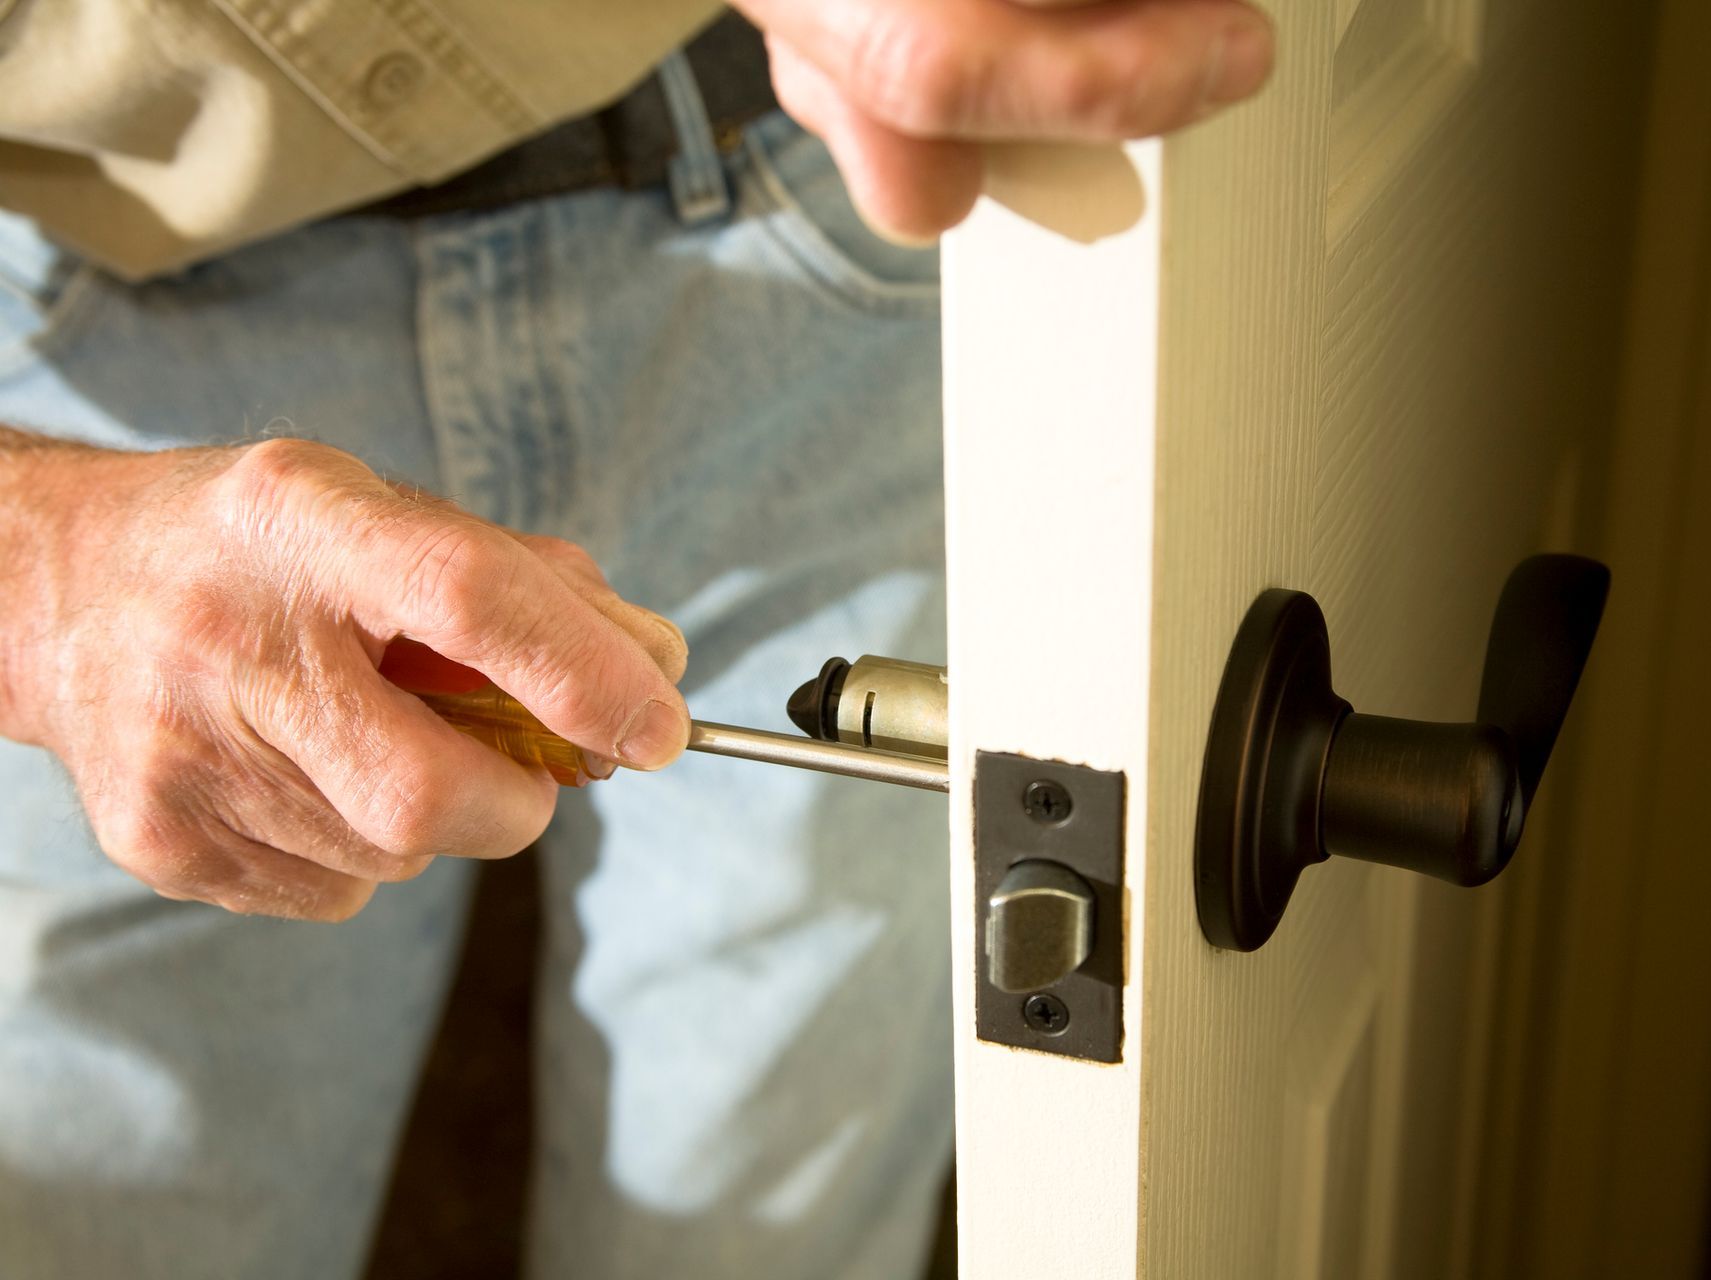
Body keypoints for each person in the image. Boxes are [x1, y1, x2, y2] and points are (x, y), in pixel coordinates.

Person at [0, 2, 1273, 1275]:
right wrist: (42, 565)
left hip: (797, 234)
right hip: (117, 340)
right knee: (119, 1208)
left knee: (755, 1204)